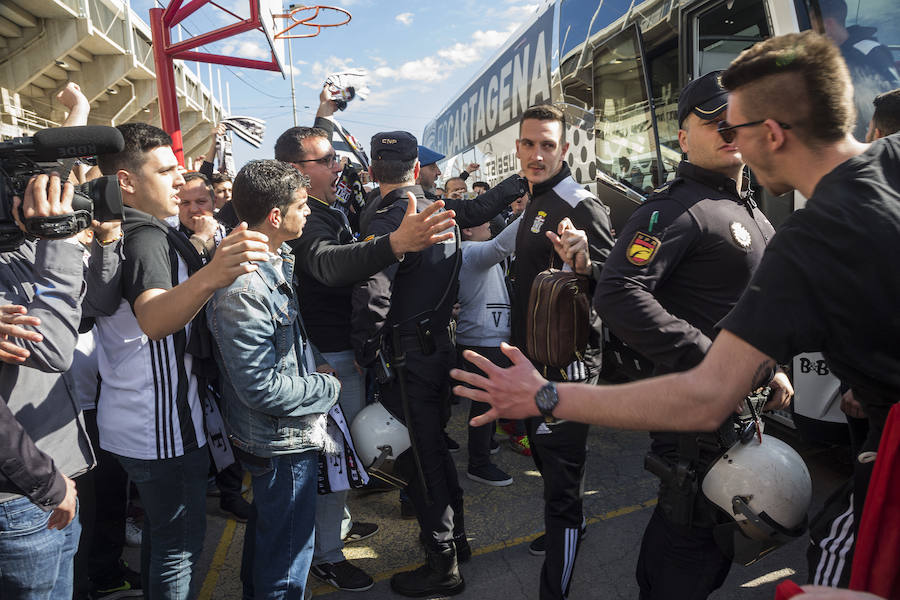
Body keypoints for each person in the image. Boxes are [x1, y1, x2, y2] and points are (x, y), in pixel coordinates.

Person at [452, 31, 899, 595]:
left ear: (772, 133)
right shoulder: (884, 167)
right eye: (717, 125)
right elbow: (628, 291)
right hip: (718, 440)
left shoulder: (797, 233)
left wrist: (544, 395)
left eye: (734, 125)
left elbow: (709, 386)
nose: (730, 139)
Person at [593, 71, 787, 599]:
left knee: (691, 543)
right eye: (711, 120)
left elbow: (743, 307)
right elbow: (617, 294)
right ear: (682, 138)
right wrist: (716, 362)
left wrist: (770, 366)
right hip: (698, 423)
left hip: (731, 412)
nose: (728, 128)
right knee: (693, 551)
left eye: (737, 117)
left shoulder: (748, 208)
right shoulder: (675, 208)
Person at [273, 111, 454, 592]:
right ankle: (326, 556)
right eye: (328, 159)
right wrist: (394, 243)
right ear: (296, 172)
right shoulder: (306, 217)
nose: (339, 166)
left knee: (347, 454)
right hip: (330, 356)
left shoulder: (326, 209)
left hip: (341, 350)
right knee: (337, 457)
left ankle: (338, 529)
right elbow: (330, 267)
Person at [94, 122, 269, 600]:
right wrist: (214, 272)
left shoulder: (133, 229)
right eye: (165, 169)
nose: (179, 180)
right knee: (180, 545)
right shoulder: (146, 235)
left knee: (163, 537)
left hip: (136, 416)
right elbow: (152, 318)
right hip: (160, 423)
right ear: (126, 182)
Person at [351, 131, 523, 597]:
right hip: (438, 351)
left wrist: (365, 350)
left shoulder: (393, 214)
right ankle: (457, 541)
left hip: (408, 356)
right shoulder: (439, 208)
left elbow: (373, 290)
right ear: (414, 168)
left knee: (422, 462)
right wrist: (518, 181)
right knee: (434, 454)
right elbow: (478, 211)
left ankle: (442, 564)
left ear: (372, 171)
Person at [207, 159, 339, 600]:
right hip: (279, 439)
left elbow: (291, 339)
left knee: (272, 538)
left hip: (280, 433)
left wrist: (314, 363)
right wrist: (327, 388)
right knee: (285, 560)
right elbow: (260, 387)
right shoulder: (245, 288)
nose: (309, 213)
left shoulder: (273, 259)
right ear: (276, 216)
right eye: (302, 205)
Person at [505, 103, 614, 600]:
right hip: (533, 363)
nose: (537, 153)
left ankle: (557, 583)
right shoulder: (535, 200)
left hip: (567, 370)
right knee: (551, 469)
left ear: (565, 149)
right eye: (529, 144)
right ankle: (571, 526)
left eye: (547, 144)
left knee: (562, 492)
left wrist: (588, 261)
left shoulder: (580, 202)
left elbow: (621, 282)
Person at [0, 171, 122, 599]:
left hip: (57, 473)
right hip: (19, 494)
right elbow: (52, 349)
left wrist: (101, 241)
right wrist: (60, 242)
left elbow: (95, 304)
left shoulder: (20, 250)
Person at [457, 213, 523, 487]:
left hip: (484, 337)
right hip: (483, 340)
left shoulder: (469, 251)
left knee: (486, 399)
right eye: (483, 220)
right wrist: (536, 206)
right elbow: (501, 246)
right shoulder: (470, 251)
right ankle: (479, 463)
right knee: (486, 401)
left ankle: (485, 445)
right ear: (468, 230)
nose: (489, 225)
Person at [819, 0, 899, 140]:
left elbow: (891, 104)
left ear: (828, 24)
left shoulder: (867, 52)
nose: (811, 35)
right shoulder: (832, 57)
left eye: (813, 26)